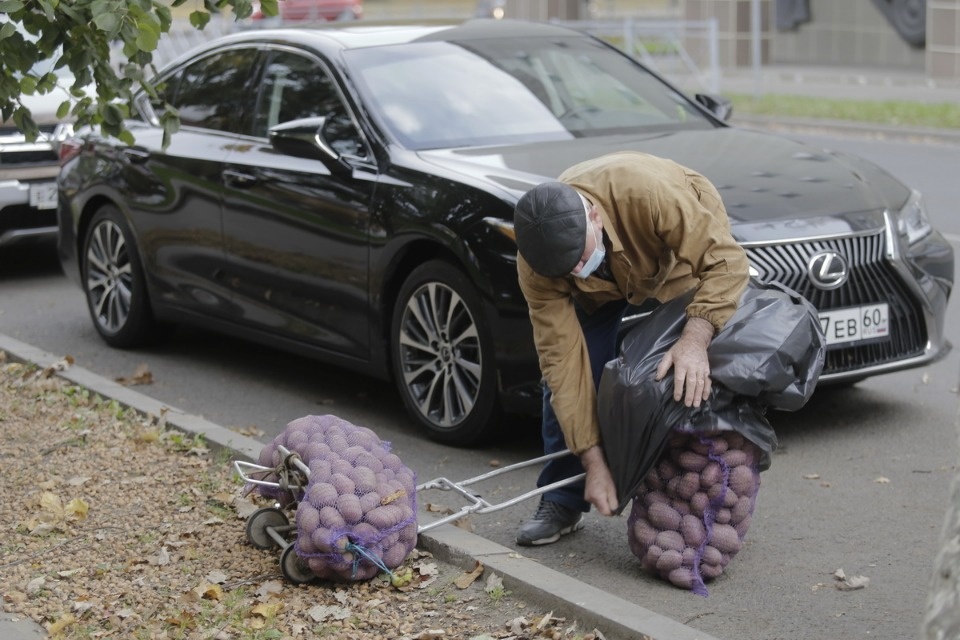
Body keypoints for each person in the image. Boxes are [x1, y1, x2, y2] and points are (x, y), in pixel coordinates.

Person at [512, 150, 751, 546]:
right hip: (601, 292)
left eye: (579, 258)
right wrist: (593, 462)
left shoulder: (652, 195)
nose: (575, 270)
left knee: (685, 372)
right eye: (565, 270)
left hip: (671, 257)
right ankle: (561, 499)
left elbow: (725, 262)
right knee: (566, 381)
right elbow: (563, 365)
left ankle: (697, 496)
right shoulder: (539, 265)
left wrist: (695, 339)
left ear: (593, 217)